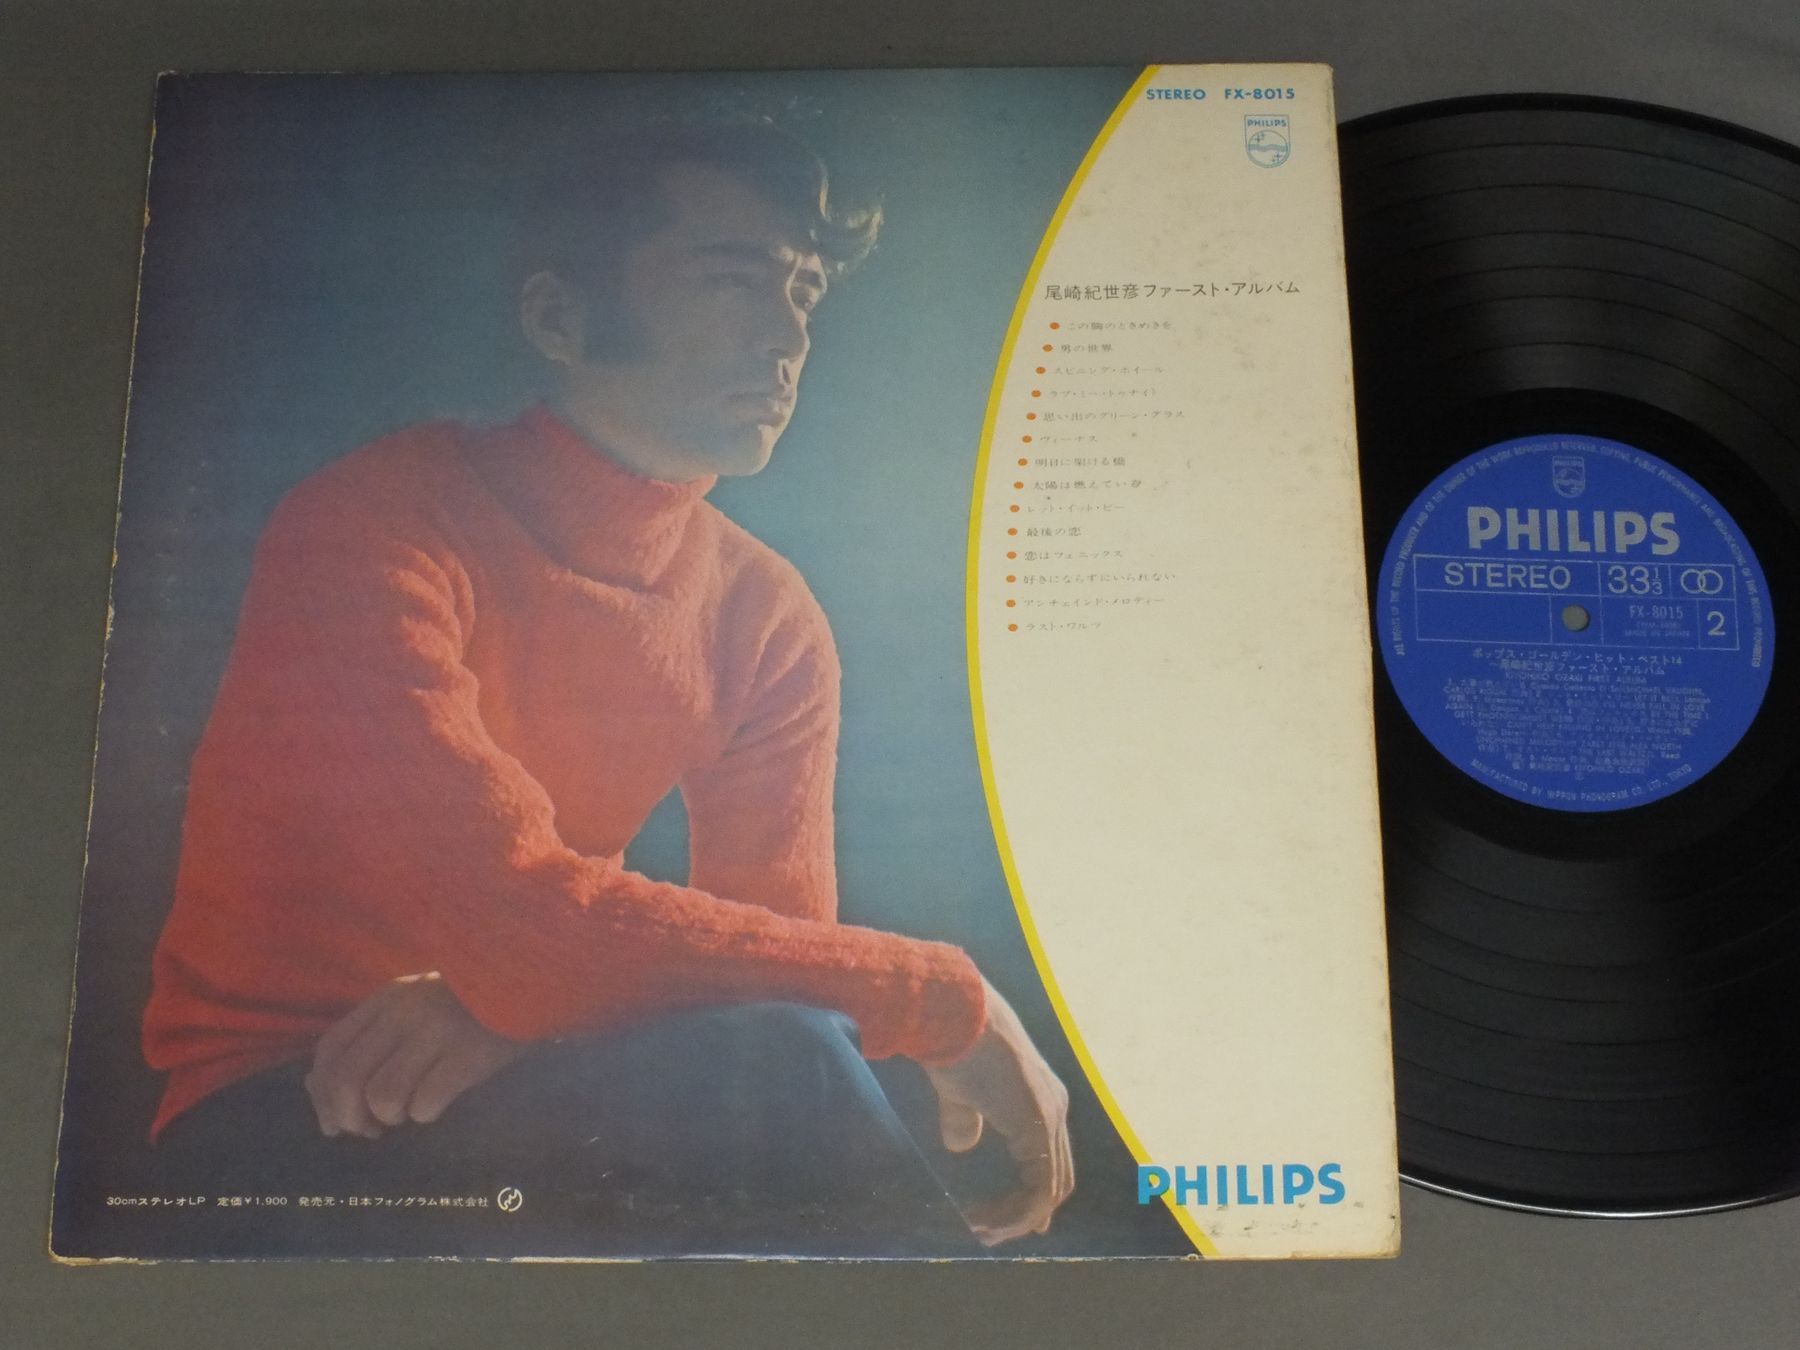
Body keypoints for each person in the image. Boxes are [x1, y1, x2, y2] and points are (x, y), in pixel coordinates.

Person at [140, 119, 1072, 1256]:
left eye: (805, 293)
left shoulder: (767, 615)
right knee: (781, 1070)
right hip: (279, 1107)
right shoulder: (372, 526)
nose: (787, 337)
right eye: (733, 279)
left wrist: (521, 1010)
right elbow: (523, 929)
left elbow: (772, 970)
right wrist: (943, 996)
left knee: (780, 1061)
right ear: (560, 319)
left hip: (531, 1059)